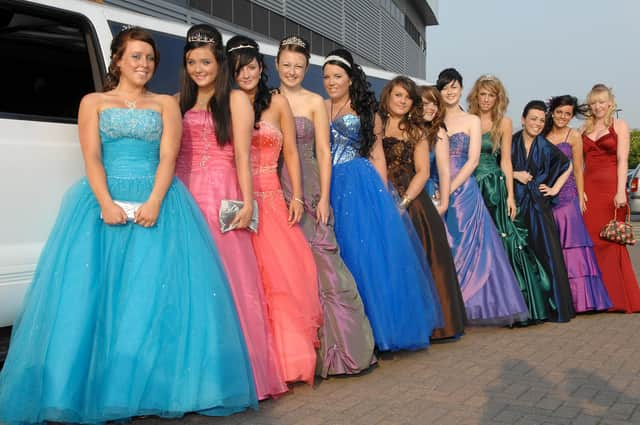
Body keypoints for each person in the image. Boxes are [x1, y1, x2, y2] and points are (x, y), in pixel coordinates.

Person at [0, 27, 257, 424]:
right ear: (117, 60)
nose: (144, 64)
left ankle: (147, 389)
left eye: (150, 59)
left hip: (159, 200)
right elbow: (92, 158)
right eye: (135, 56)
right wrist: (105, 203)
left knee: (149, 296)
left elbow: (169, 156)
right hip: (102, 202)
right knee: (95, 295)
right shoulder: (93, 102)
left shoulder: (166, 105)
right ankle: (91, 387)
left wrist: (154, 201)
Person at [175, 24, 287, 399]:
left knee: (230, 285)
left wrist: (249, 203)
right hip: (185, 198)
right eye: (192, 62)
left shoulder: (236, 100)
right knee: (188, 285)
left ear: (219, 62)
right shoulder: (178, 102)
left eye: (205, 61)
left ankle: (230, 375)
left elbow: (243, 155)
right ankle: (189, 375)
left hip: (222, 196)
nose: (198, 68)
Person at [323, 49, 441, 351]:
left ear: (350, 79)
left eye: (337, 76)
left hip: (358, 183)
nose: (331, 81)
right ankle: (345, 331)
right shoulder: (319, 107)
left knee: (364, 255)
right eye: (326, 76)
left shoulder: (367, 114)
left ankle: (375, 330)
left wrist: (382, 197)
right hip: (327, 181)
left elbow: (376, 157)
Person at [275, 35, 375, 377]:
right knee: (286, 265)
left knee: (323, 263)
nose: (292, 71)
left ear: (306, 68)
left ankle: (338, 347)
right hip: (276, 185)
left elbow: (323, 152)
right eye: (286, 65)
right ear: (277, 65)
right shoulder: (268, 100)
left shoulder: (315, 102)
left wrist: (326, 198)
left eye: (299, 66)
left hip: (312, 183)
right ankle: (293, 350)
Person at [227, 35, 322, 384]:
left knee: (281, 279)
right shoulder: (226, 102)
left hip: (271, 195)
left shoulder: (277, 102)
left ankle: (286, 360)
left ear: (260, 67)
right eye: (238, 70)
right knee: (245, 279)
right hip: (238, 196)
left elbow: (293, 154)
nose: (246, 74)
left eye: (251, 67)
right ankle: (251, 359)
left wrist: (296, 196)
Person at [433, 68, 528, 325]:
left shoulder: (471, 121)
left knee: (470, 246)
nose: (450, 92)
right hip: (435, 186)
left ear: (461, 89)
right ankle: (446, 303)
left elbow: (473, 160)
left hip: (463, 190)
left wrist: (449, 189)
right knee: (443, 245)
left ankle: (469, 305)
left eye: (454, 87)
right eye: (444, 87)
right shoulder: (433, 117)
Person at [382, 79, 465, 341]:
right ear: (388, 96)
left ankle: (434, 325)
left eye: (408, 97)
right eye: (398, 95)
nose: (402, 101)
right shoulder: (376, 125)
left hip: (412, 200)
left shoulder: (416, 130)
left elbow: (423, 172)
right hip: (380, 194)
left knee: (426, 261)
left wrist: (403, 204)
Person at [467, 75, 553, 323]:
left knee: (505, 242)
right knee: (475, 245)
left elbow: (506, 160)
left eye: (491, 95)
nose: (486, 99)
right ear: (476, 96)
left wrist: (511, 197)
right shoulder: (468, 119)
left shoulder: (504, 122)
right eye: (482, 94)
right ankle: (479, 301)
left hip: (494, 187)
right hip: (470, 186)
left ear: (497, 98)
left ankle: (514, 302)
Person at [543, 95, 611, 313]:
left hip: (567, 196)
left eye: (567, 114)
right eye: (559, 112)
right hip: (545, 197)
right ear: (552, 112)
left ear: (571, 116)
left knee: (574, 249)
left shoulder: (574, 136)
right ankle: (558, 298)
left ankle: (580, 300)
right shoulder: (541, 134)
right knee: (553, 248)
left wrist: (580, 195)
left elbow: (578, 167)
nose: (563, 117)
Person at [512, 100, 575, 322]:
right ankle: (527, 309)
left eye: (541, 120)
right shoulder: (511, 142)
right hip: (516, 206)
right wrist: (514, 174)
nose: (537, 124)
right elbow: (496, 165)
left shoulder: (547, 147)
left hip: (539, 207)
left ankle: (550, 307)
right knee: (520, 256)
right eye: (533, 119)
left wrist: (554, 188)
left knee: (546, 255)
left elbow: (567, 165)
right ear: (523, 119)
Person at [581, 84, 640, 312]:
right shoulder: (583, 129)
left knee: (611, 242)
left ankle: (618, 299)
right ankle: (595, 298)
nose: (598, 106)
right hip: (589, 189)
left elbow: (623, 161)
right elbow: (579, 163)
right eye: (594, 102)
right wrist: (579, 189)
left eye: (601, 101)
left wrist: (620, 191)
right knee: (592, 241)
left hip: (610, 190)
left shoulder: (619, 126)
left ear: (610, 103)